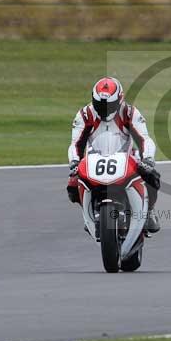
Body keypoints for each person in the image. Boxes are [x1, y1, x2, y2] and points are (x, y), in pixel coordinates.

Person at [66, 76, 161, 233]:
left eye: (108, 105)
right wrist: (74, 162)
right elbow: (76, 143)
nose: (104, 108)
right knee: (72, 186)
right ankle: (90, 212)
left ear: (119, 100)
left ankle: (149, 211)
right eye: (100, 104)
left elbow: (145, 139)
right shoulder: (85, 115)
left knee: (152, 176)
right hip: (94, 160)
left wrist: (148, 159)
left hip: (127, 158)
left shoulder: (130, 112)